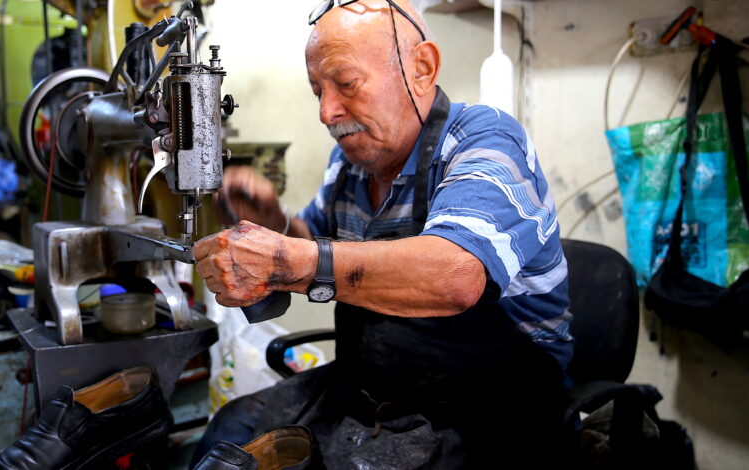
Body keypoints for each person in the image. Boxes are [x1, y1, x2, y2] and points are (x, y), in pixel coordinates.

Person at [192, 0, 573, 467]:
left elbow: (454, 275)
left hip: (492, 403)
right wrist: (275, 221)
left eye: (346, 84)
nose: (327, 112)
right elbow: (315, 240)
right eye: (317, 92)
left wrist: (286, 261)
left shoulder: (486, 141)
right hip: (375, 384)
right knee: (230, 437)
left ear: (422, 67)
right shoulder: (352, 163)